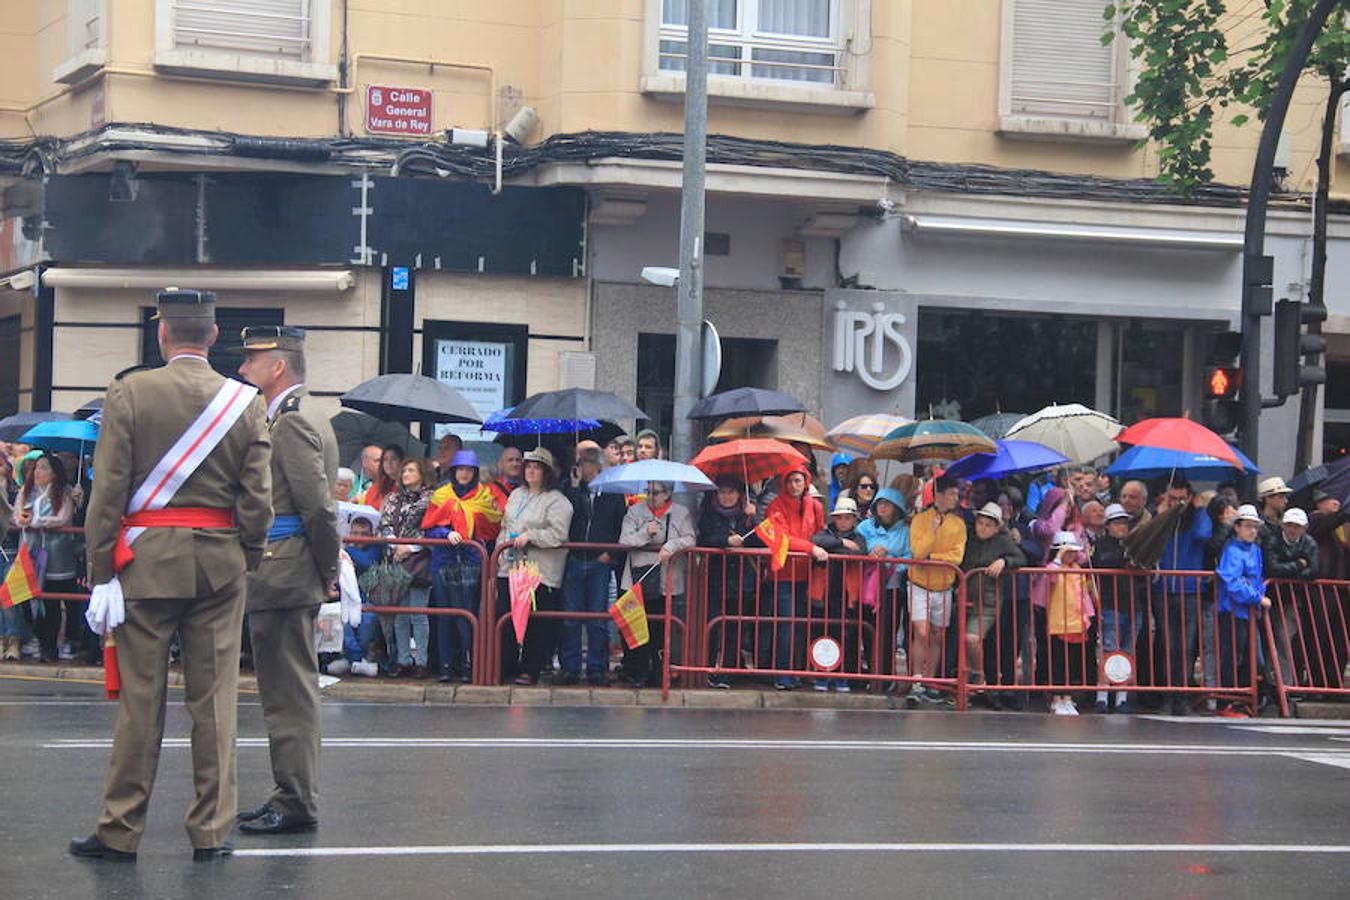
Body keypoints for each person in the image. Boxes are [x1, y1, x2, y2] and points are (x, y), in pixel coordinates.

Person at [71, 288, 271, 862]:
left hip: (144, 564)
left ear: (162, 335)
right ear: (212, 337)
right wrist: (247, 557)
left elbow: (106, 493)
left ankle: (119, 829)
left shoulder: (130, 392)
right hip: (219, 565)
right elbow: (257, 500)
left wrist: (102, 569)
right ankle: (211, 831)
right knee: (214, 705)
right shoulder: (245, 401)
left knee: (141, 702)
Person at [235, 324, 340, 838]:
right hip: (287, 567)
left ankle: (296, 800)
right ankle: (288, 793)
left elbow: (317, 508)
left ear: (278, 366)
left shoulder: (293, 422)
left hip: (285, 568)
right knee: (283, 691)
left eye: (252, 360)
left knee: (288, 695)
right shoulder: (296, 416)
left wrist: (326, 568)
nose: (242, 368)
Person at [423, 450, 501, 683]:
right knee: (445, 614)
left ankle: (469, 664)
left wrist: (469, 526)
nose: (464, 474)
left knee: (467, 614)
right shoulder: (441, 495)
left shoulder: (485, 496)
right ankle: (447, 665)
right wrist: (446, 532)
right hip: (443, 561)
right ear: (453, 472)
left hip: (471, 561)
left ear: (474, 473)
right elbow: (428, 526)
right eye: (460, 469)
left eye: (468, 470)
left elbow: (492, 527)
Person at [498, 447, 573, 685]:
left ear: (547, 472)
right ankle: (506, 666)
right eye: (528, 466)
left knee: (536, 624)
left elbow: (559, 535)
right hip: (511, 566)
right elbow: (504, 526)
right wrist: (501, 552)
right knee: (507, 619)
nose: (531, 470)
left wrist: (531, 536)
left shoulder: (558, 501)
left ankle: (531, 669)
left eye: (537, 467)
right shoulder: (516, 495)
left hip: (541, 571)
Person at [559, 446, 625, 686]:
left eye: (585, 462)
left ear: (597, 466)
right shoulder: (572, 490)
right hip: (575, 558)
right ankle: (570, 668)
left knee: (598, 618)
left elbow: (619, 524)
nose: (581, 467)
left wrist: (611, 553)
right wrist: (575, 488)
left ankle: (597, 668)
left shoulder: (612, 493)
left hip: (600, 561)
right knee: (571, 618)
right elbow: (567, 516)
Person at [618, 480, 696, 687]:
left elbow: (690, 539)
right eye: (648, 492)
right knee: (637, 626)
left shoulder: (681, 512)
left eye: (656, 492)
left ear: (668, 494)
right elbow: (624, 540)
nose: (651, 496)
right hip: (638, 577)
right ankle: (639, 671)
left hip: (666, 579)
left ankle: (660, 671)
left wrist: (671, 546)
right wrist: (645, 533)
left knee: (661, 627)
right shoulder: (635, 512)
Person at [759, 465, 826, 691]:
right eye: (789, 481)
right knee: (786, 625)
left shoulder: (815, 506)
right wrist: (811, 548)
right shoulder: (775, 506)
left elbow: (821, 534)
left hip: (808, 574)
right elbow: (781, 539)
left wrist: (816, 547)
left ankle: (798, 671)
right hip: (783, 575)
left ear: (805, 482)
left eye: (797, 481)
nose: (793, 486)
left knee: (802, 626)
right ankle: (783, 673)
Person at [1152, 477, 1212, 715]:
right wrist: (1162, 514)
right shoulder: (1163, 517)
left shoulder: (1196, 517)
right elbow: (1150, 538)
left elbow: (1204, 534)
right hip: (1164, 589)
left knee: (1186, 646)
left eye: (1181, 499)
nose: (1177, 503)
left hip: (1189, 589)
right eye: (1172, 498)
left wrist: (1198, 509)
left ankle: (1183, 695)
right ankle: (1167, 694)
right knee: (1167, 644)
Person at [15, 453, 84, 663]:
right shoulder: (26, 492)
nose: (38, 472)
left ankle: (60, 644)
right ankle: (40, 641)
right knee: (26, 599)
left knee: (58, 601)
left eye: (44, 468)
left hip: (58, 556)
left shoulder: (63, 493)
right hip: (30, 553)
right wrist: (25, 520)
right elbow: (18, 515)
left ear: (54, 473)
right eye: (36, 468)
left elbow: (62, 518)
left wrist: (35, 521)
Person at [905, 474, 966, 707]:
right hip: (919, 584)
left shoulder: (959, 524)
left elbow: (956, 557)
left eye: (956, 494)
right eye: (951, 494)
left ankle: (930, 681)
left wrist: (934, 558)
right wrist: (932, 531)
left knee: (937, 634)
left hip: (944, 586)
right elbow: (918, 553)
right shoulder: (921, 520)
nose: (955, 498)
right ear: (938, 495)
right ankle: (917, 678)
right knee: (921, 631)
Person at [376, 458, 435, 678]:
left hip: (419, 559)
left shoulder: (432, 498)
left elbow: (431, 528)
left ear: (423, 473)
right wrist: (395, 545)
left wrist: (410, 547)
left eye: (411, 470)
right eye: (404, 470)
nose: (406, 474)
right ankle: (402, 660)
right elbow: (384, 524)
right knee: (399, 614)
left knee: (418, 613)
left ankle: (422, 661)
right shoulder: (393, 497)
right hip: (395, 558)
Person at [697, 476, 757, 688]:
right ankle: (708, 668)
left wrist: (753, 520)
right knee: (712, 625)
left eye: (731, 492)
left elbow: (759, 541)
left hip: (742, 578)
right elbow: (703, 538)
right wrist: (725, 541)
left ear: (740, 494)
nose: (727, 496)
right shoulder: (708, 514)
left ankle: (728, 671)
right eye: (722, 492)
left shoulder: (747, 514)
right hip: (715, 576)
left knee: (734, 627)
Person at [960, 502, 1025, 698]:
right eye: (980, 522)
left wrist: (1004, 561)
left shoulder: (1003, 542)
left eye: (988, 524)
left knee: (972, 638)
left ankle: (979, 675)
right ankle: (964, 679)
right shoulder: (969, 538)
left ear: (997, 527)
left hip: (988, 600)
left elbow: (1020, 558)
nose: (983, 528)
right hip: (964, 595)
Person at [1214, 505, 1271, 717]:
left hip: (1248, 611)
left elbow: (1256, 579)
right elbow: (1232, 581)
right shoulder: (1232, 550)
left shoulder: (1255, 550)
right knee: (1232, 657)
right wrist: (1257, 597)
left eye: (1255, 527)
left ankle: (1243, 699)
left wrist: (1258, 595)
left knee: (1253, 658)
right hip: (1232, 610)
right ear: (1237, 528)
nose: (1252, 531)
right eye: (1248, 526)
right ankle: (1227, 702)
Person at [809, 497, 869, 692]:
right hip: (823, 593)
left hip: (846, 595)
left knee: (847, 636)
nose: (843, 522)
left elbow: (857, 554)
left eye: (847, 518)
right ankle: (821, 673)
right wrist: (841, 542)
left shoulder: (859, 538)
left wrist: (832, 548)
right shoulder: (825, 533)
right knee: (821, 633)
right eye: (839, 518)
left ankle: (843, 675)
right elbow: (816, 541)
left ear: (854, 519)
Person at [857, 487, 911, 684]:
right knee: (867, 630)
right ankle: (870, 673)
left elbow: (910, 557)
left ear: (897, 508)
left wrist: (890, 560)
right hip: (866, 588)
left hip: (892, 589)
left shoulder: (905, 531)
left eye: (887, 504)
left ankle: (886, 676)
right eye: (880, 503)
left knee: (888, 632)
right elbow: (857, 546)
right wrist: (870, 553)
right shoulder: (864, 527)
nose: (882, 507)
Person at [1092, 504, 1142, 714]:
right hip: (1110, 604)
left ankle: (1122, 698)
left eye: (1124, 523)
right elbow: (1101, 563)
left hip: (1134, 603)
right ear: (1108, 526)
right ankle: (1102, 696)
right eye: (1117, 523)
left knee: (1128, 651)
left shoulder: (1135, 544)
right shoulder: (1102, 545)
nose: (1122, 527)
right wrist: (1124, 558)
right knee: (1109, 649)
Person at [1044, 531, 1096, 716]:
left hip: (1077, 622)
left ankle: (1068, 697)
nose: (1072, 555)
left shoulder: (1079, 570)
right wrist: (1058, 557)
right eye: (1068, 551)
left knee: (1072, 662)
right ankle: (1056, 698)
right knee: (1058, 661)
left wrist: (1089, 616)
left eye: (1074, 552)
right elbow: (1050, 576)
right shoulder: (1054, 567)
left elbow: (1084, 595)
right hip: (1059, 622)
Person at [329, 515, 382, 677]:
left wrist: (345, 552)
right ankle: (356, 660)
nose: (358, 538)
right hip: (345, 601)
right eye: (354, 533)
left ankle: (352, 660)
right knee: (341, 618)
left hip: (369, 601)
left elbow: (367, 562)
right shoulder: (343, 555)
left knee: (367, 618)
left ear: (371, 535)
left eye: (363, 534)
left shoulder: (375, 548)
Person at [487, 445, 524, 511]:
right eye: (510, 460)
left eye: (518, 460)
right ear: (500, 464)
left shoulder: (531, 488)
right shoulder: (490, 490)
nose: (515, 464)